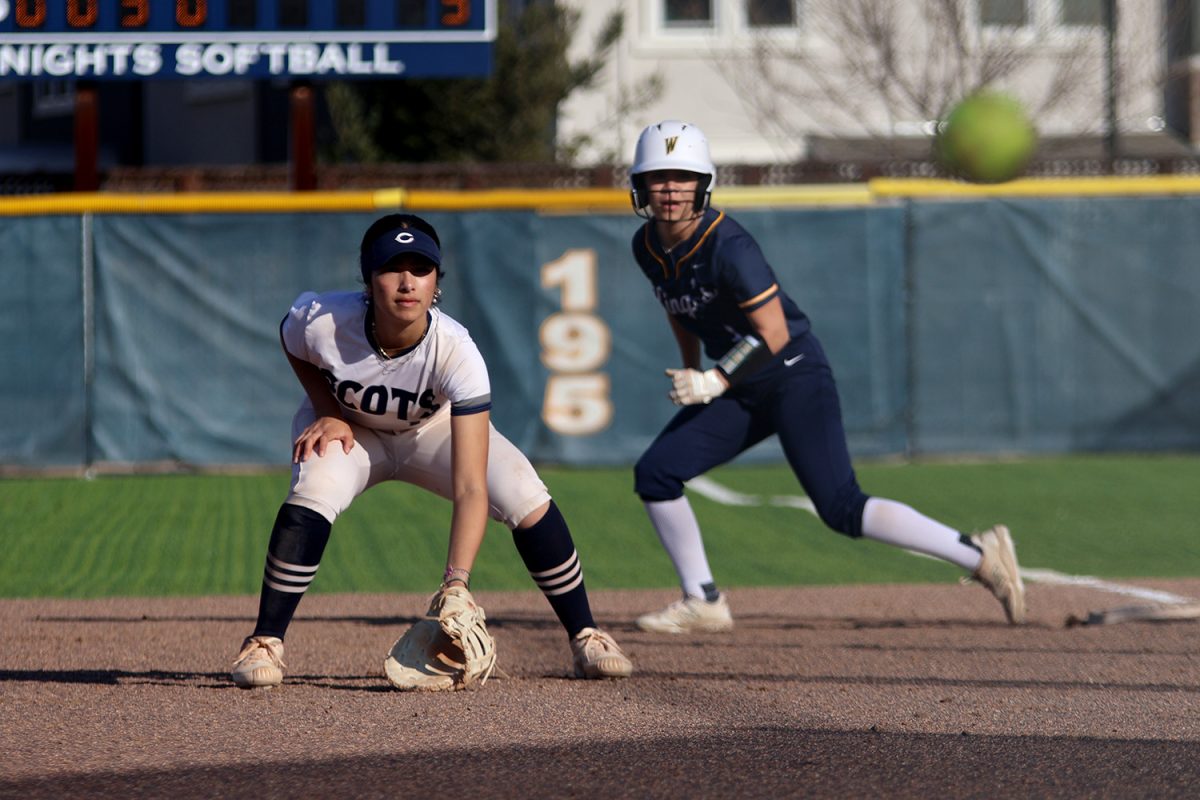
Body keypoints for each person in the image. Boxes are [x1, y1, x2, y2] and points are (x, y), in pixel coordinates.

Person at [625, 120, 1026, 633]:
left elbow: (772, 332)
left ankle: (979, 554)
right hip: (737, 381)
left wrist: (716, 381)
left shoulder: (730, 245)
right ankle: (703, 599)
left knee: (840, 506)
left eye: (682, 176)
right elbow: (678, 309)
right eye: (659, 176)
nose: (670, 189)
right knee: (657, 473)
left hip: (791, 372)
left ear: (703, 181)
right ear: (639, 183)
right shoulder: (646, 245)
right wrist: (692, 365)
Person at [231, 213, 632, 687]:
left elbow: (469, 485)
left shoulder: (456, 351)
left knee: (524, 491)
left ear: (437, 280)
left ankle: (586, 635)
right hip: (355, 433)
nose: (407, 282)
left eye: (420, 268)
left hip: (432, 432)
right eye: (391, 267)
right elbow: (291, 338)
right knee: (314, 490)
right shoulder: (324, 322)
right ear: (367, 277)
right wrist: (327, 407)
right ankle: (264, 643)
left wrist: (456, 582)